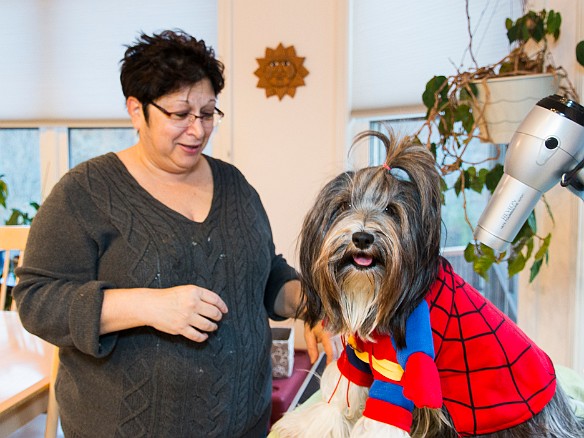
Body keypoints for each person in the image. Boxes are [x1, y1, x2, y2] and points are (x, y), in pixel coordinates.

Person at [13, 30, 331, 437]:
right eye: (180, 115)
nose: (197, 130)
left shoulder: (234, 186)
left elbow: (264, 273)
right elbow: (37, 300)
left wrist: (317, 306)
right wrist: (147, 305)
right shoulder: (86, 192)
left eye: (208, 112)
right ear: (136, 109)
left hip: (246, 425)